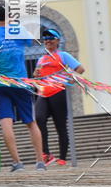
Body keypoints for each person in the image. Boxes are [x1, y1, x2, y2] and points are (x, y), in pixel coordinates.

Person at [0, 0, 46, 172]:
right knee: (31, 122)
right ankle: (40, 161)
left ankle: (18, 163)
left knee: (6, 122)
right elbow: (32, 42)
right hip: (21, 83)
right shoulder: (19, 31)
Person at [35, 28, 85, 166]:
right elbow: (36, 74)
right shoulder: (41, 59)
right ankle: (46, 153)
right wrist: (36, 75)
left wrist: (69, 77)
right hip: (44, 93)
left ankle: (62, 158)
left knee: (60, 125)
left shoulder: (63, 56)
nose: (48, 41)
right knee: (39, 118)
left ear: (58, 40)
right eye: (45, 39)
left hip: (58, 93)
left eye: (51, 38)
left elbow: (80, 69)